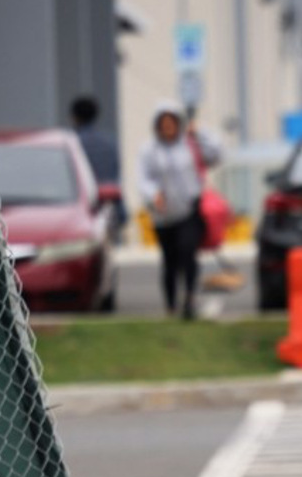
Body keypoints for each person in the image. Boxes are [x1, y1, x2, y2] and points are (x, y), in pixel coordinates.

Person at [139, 101, 222, 319]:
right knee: (170, 260)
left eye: (172, 123)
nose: (168, 128)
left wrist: (200, 132)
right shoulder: (149, 150)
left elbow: (216, 154)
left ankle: (190, 298)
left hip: (190, 209)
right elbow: (143, 179)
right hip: (163, 214)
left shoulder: (189, 144)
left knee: (188, 252)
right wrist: (153, 194)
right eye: (163, 124)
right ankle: (170, 304)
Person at [70, 96, 128, 239]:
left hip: (80, 210)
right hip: (109, 208)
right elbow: (115, 173)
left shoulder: (72, 143)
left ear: (74, 117)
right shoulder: (109, 143)